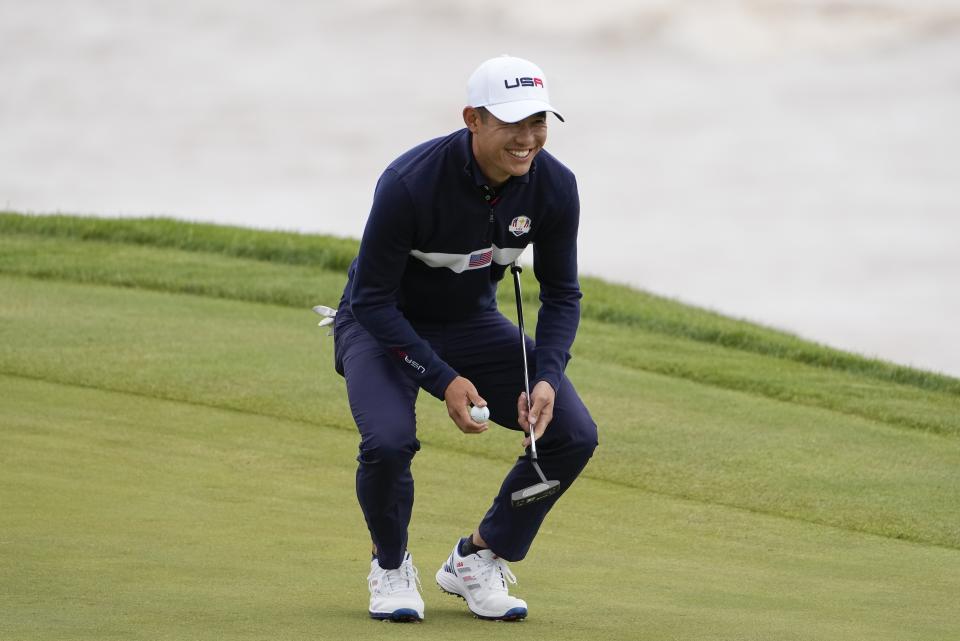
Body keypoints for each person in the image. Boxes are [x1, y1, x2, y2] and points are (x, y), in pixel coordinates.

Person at [331, 54, 598, 623]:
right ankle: (390, 564)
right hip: (382, 324)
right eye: (511, 124)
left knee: (571, 434)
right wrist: (444, 378)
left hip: (473, 322)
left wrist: (546, 374)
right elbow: (371, 300)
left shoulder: (554, 186)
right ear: (473, 118)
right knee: (388, 442)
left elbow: (562, 295)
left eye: (539, 122)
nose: (527, 139)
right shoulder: (409, 183)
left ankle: (478, 557)